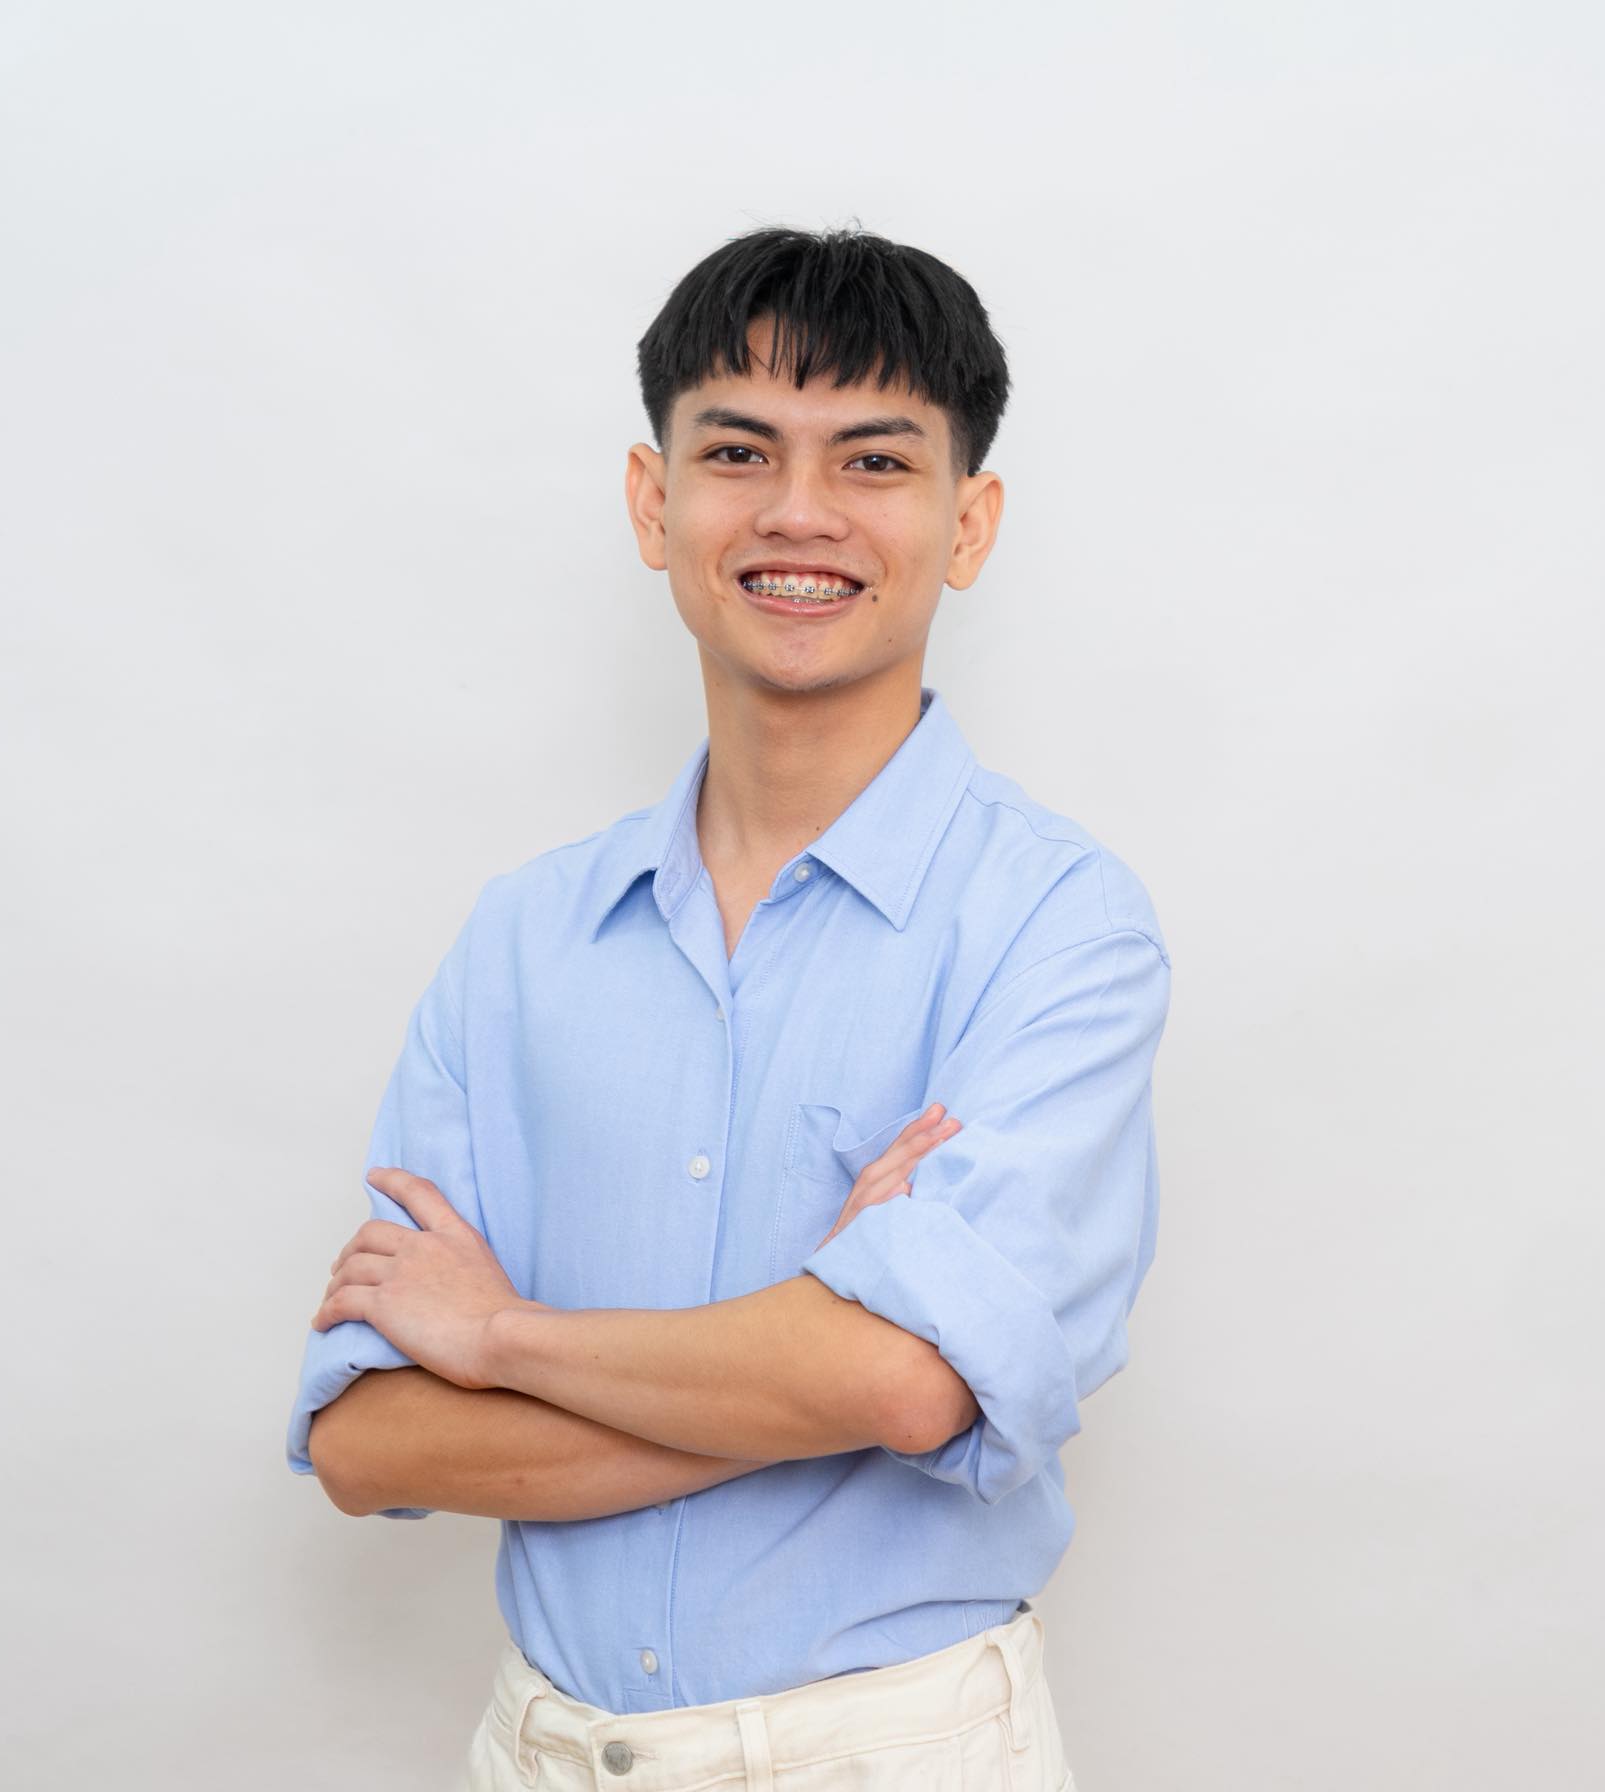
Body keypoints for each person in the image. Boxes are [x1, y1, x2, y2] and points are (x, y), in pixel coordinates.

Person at [287, 224, 1171, 1791]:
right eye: (739, 451)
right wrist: (821, 1367)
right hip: (545, 1752)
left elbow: (904, 1382)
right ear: (655, 503)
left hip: (890, 1754)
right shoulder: (524, 940)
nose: (799, 512)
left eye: (874, 460)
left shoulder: (1057, 924)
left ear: (968, 522)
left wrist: (495, 1337)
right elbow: (368, 1444)